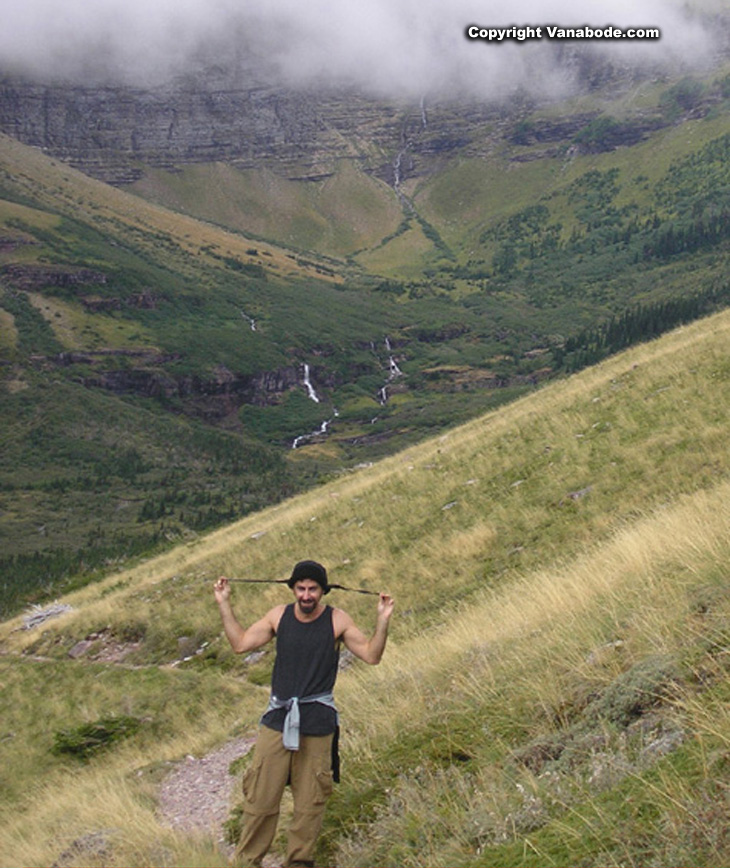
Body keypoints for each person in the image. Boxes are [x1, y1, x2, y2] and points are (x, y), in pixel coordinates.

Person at [213, 559, 394, 868]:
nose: (307, 595)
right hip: (277, 720)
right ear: (293, 588)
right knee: (260, 799)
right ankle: (247, 862)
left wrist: (383, 620)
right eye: (301, 588)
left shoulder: (337, 620)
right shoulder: (278, 617)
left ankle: (298, 863)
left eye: (313, 589)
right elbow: (240, 644)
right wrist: (224, 604)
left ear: (323, 591)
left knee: (309, 804)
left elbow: (371, 656)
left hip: (318, 722)